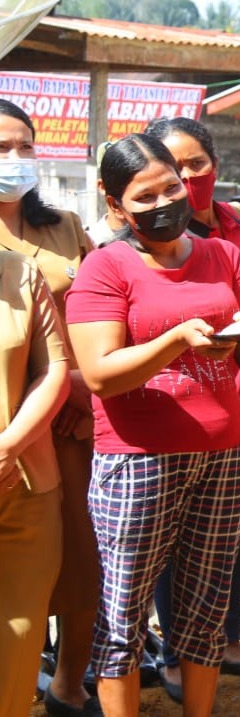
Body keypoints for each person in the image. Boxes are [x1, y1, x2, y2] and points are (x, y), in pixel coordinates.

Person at [65, 134, 240, 717]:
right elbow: (102, 375)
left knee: (207, 607)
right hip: (137, 461)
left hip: (224, 454)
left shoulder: (221, 255)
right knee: (123, 615)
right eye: (144, 196)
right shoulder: (105, 269)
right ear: (115, 206)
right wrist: (176, 338)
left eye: (171, 188)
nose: (164, 202)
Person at [143, 116, 240, 697]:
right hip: (181, 411)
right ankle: (175, 650)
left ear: (214, 166)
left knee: (231, 534)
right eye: (173, 169)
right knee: (175, 541)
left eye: (197, 164)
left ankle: (225, 639)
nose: (187, 178)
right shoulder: (145, 245)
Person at [0, 99, 100, 716]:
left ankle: (67, 682)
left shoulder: (62, 224)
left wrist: (84, 393)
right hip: (17, 404)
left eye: (24, 148)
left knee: (77, 559)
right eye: (2, 149)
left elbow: (97, 307)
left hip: (68, 416)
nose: (15, 161)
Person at [0, 249, 70, 717]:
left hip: (22, 484)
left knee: (20, 636)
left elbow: (54, 369)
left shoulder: (18, 272)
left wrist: (8, 448)